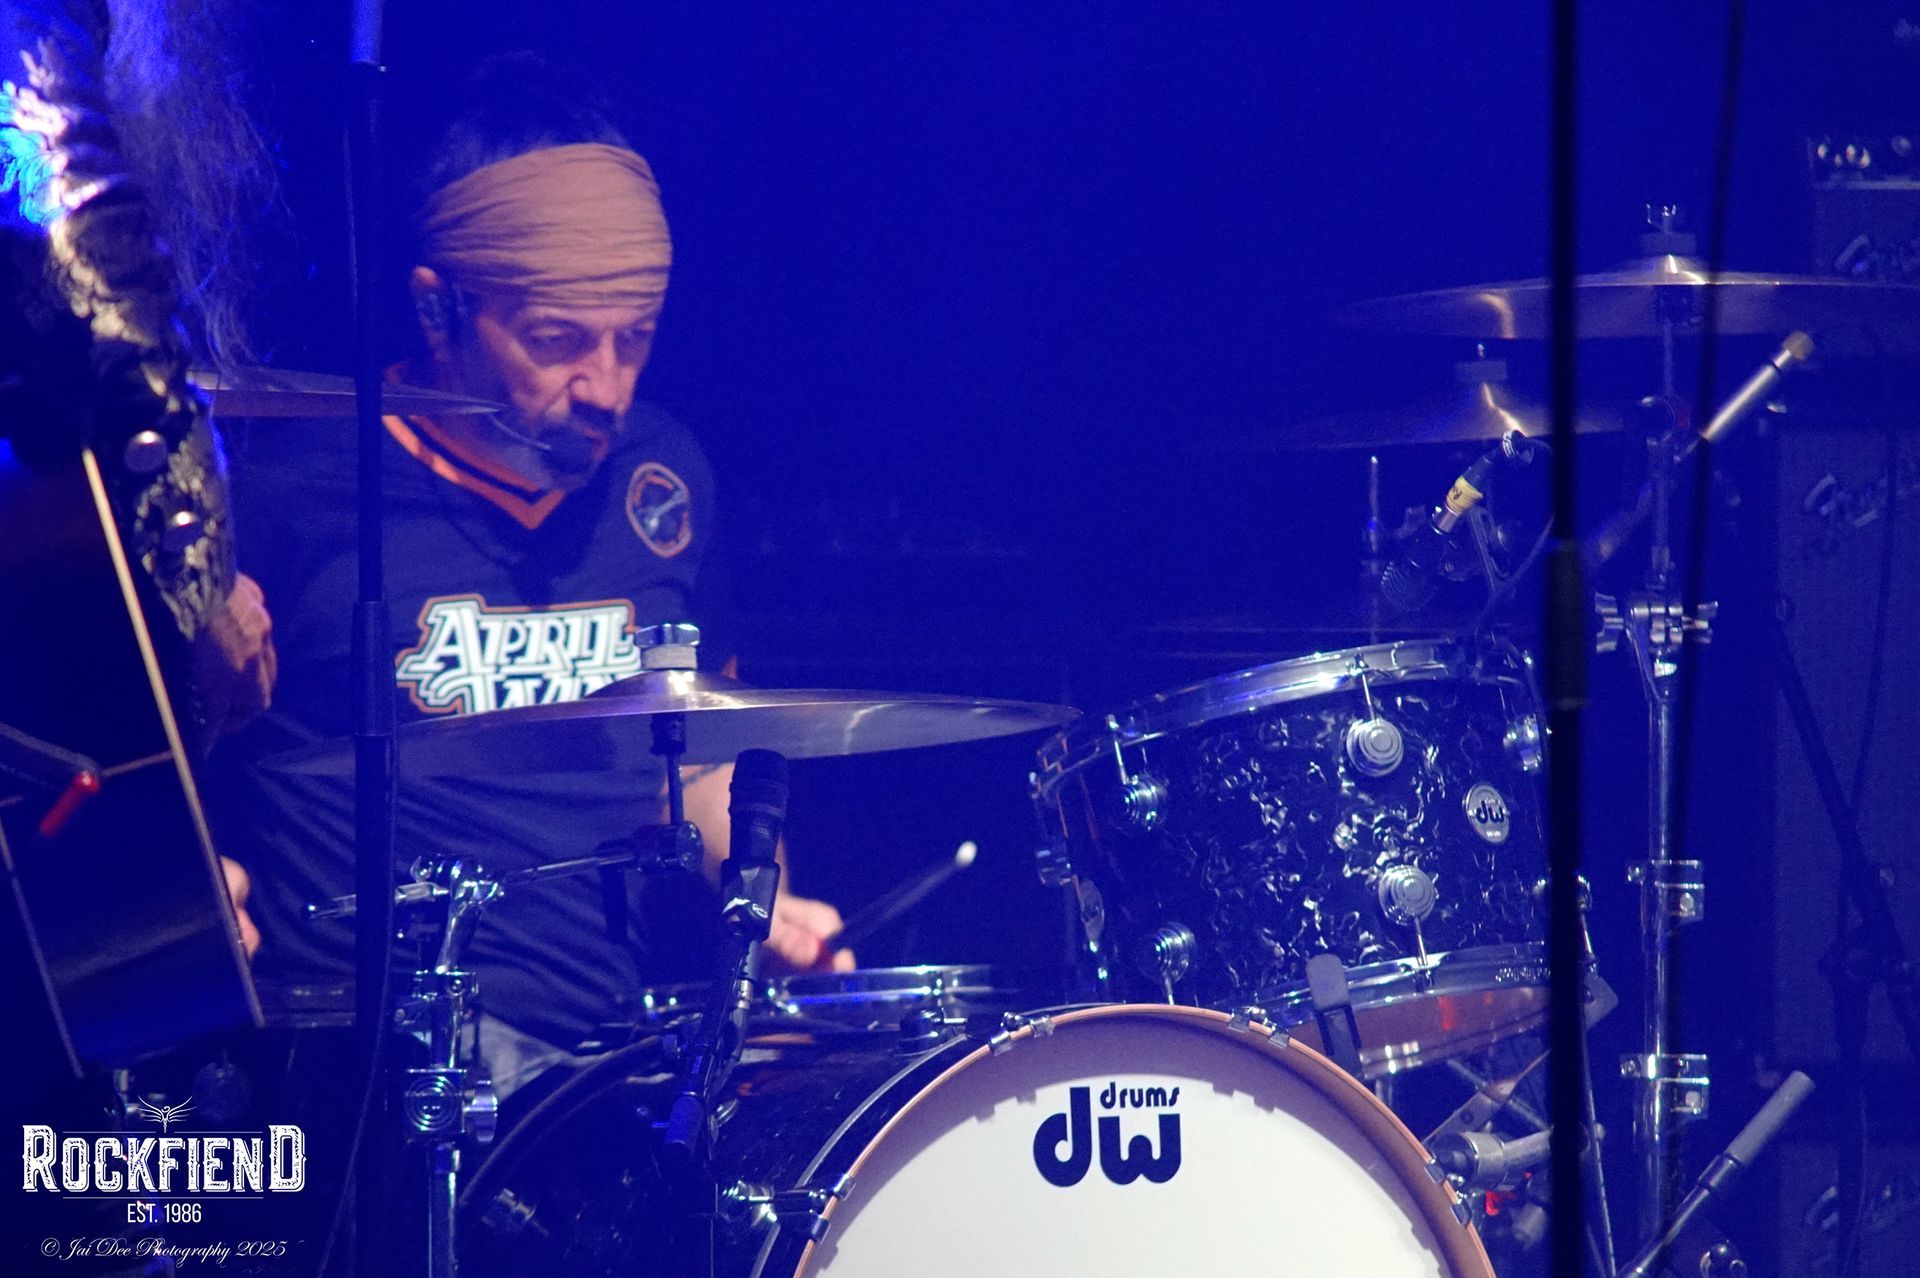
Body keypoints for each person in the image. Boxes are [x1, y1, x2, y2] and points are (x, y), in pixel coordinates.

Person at [210, 54, 850, 1095]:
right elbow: (140, 752)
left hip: (606, 1059)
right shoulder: (298, 486)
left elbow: (701, 760)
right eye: (558, 341)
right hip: (365, 1063)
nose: (605, 386)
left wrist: (759, 906)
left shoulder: (663, 475)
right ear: (439, 311)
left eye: (635, 339)